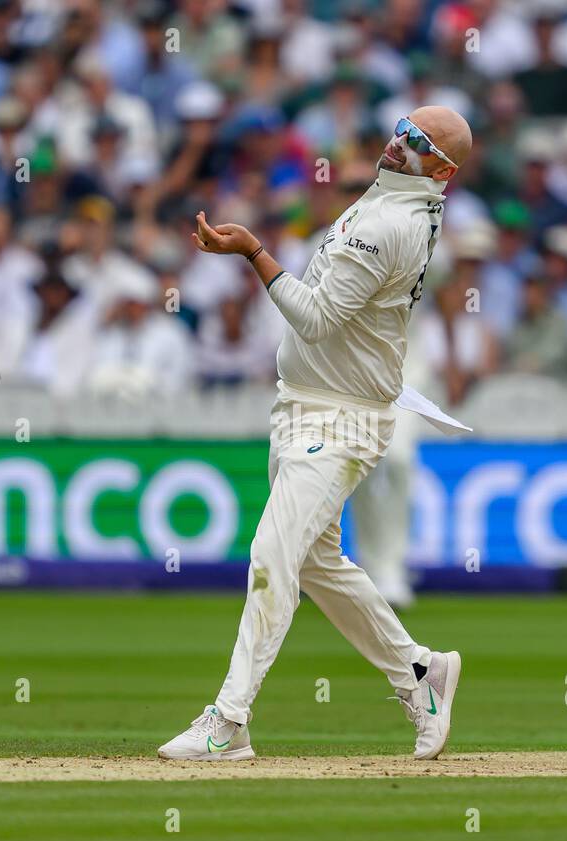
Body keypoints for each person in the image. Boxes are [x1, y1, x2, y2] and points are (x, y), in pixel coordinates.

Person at [157, 107, 472, 762]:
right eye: (400, 128)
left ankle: (229, 721)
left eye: (417, 142)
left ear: (441, 169)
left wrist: (253, 252)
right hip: (305, 406)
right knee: (319, 564)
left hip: (338, 418)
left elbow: (318, 318)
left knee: (271, 557)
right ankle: (421, 672)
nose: (397, 143)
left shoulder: (391, 223)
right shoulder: (391, 202)